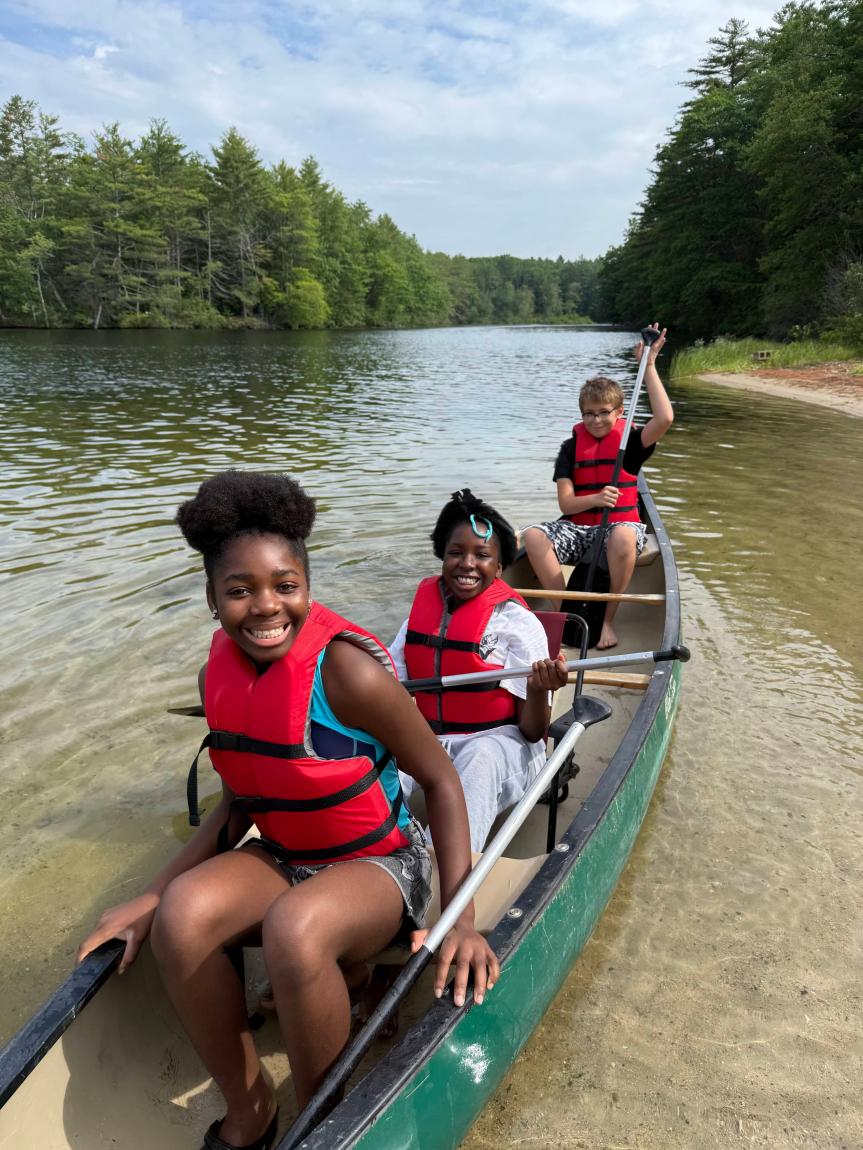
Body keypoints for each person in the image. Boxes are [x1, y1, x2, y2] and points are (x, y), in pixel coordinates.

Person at [77, 470, 498, 1150]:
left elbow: (441, 781)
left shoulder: (347, 671)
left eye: (284, 586)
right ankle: (251, 1112)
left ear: (307, 587)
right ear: (213, 600)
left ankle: (324, 1120)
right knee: (182, 916)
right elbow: (242, 799)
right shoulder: (215, 674)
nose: (265, 606)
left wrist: (461, 920)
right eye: (239, 591)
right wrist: (151, 897)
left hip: (382, 863)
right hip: (286, 854)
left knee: (295, 928)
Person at [389, 489, 568, 854]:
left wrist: (538, 690)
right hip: (430, 737)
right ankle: (381, 848)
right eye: (456, 553)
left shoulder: (520, 625)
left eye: (482, 555)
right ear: (442, 557)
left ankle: (450, 870)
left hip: (498, 742)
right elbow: (389, 686)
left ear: (500, 567)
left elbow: (533, 731)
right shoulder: (419, 619)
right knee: (378, 755)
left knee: (480, 759)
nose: (467, 564)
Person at [522, 324, 673, 650]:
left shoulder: (630, 444)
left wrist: (648, 366)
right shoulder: (569, 449)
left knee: (620, 535)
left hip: (621, 527)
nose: (596, 420)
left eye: (604, 413)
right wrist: (595, 497)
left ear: (620, 412)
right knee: (533, 536)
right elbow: (566, 505)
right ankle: (568, 615)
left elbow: (665, 419)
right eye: (588, 414)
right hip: (579, 529)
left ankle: (605, 620)